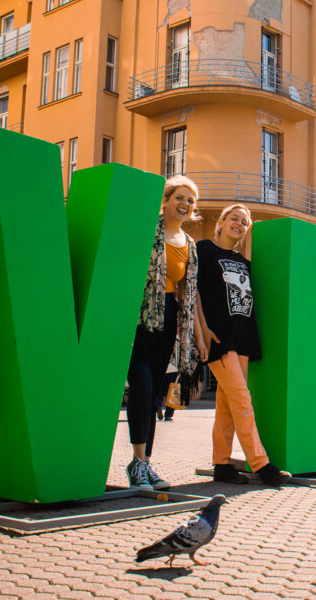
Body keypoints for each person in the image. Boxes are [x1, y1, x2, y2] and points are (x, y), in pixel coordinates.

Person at [194, 205, 290, 486]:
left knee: (227, 404)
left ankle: (222, 464)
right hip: (219, 338)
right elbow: (194, 290)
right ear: (221, 222)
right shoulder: (205, 249)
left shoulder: (244, 261)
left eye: (244, 222)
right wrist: (203, 330)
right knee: (242, 399)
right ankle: (262, 465)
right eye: (234, 218)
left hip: (243, 337)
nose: (239, 223)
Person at [126, 175, 208, 491]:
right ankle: (138, 464)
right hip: (139, 315)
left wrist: (198, 337)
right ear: (166, 199)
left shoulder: (189, 244)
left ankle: (144, 463)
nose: (186, 204)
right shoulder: (148, 229)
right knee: (143, 388)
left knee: (155, 395)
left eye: (191, 201)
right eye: (180, 198)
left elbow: (190, 292)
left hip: (169, 317)